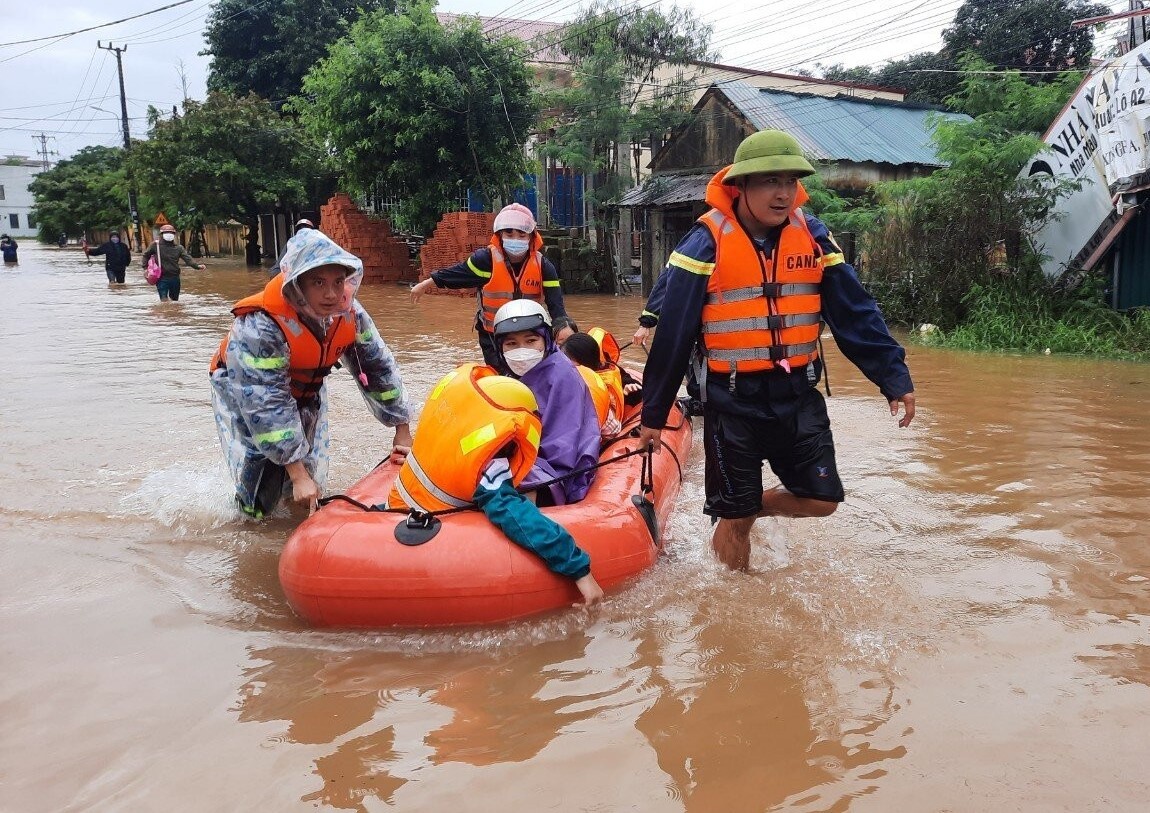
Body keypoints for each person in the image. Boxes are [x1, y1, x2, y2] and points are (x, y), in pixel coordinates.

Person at [637, 129, 916, 571]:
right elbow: (675, 332)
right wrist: (654, 412)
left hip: (797, 396)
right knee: (737, 518)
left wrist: (893, 376)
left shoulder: (814, 236)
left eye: (789, 181)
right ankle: (735, 594)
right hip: (731, 402)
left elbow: (855, 311)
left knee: (822, 499)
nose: (783, 193)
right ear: (740, 186)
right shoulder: (705, 242)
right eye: (769, 182)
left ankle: (743, 508)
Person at [210, 228, 412, 519]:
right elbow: (265, 403)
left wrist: (401, 429)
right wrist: (295, 472)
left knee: (308, 464)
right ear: (297, 284)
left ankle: (298, 508)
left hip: (304, 384)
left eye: (338, 281)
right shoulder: (260, 326)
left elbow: (378, 367)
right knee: (265, 462)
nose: (331, 294)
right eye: (318, 282)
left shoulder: (348, 312)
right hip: (245, 387)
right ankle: (251, 517)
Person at [387, 363, 603, 608]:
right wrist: (580, 570)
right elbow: (517, 515)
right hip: (434, 548)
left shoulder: (441, 437)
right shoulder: (489, 465)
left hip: (390, 517)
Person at [410, 203, 576, 369]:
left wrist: (564, 327)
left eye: (521, 234)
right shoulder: (485, 260)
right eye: (509, 233)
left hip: (530, 335)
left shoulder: (544, 266)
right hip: (494, 336)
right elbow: (457, 274)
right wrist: (427, 283)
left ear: (531, 237)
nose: (515, 239)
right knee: (503, 375)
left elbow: (556, 306)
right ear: (500, 235)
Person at [491, 299, 600, 506]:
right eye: (511, 343)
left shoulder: (563, 376)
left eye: (531, 341)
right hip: (523, 459)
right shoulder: (509, 376)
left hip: (556, 471)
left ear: (546, 340)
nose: (521, 350)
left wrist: (511, 463)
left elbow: (562, 447)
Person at [142, 224, 205, 302]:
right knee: (164, 300)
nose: (169, 234)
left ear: (174, 234)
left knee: (174, 301)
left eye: (171, 233)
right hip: (161, 278)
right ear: (161, 234)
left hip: (175, 277)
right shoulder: (155, 245)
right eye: (166, 232)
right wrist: (145, 268)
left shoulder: (179, 248)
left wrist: (197, 266)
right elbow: (145, 255)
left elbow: (188, 259)